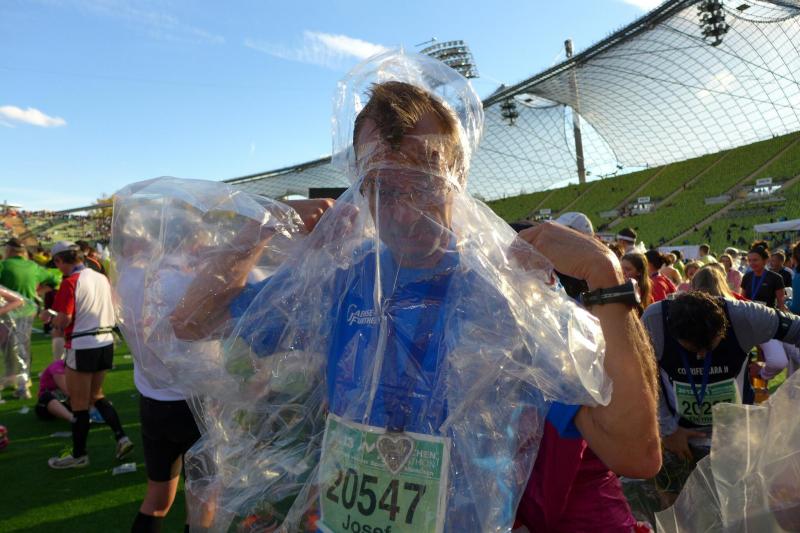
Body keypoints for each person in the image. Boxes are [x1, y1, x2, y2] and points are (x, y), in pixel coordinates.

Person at [166, 54, 660, 531]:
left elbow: (635, 454)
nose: (404, 212)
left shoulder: (509, 294)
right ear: (360, 187)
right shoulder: (342, 280)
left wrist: (607, 278)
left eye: (423, 182)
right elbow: (191, 322)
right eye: (383, 187)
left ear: (457, 177)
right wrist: (262, 224)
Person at [115, 195, 332, 533]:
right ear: (188, 241)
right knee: (204, 499)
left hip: (152, 398)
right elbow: (206, 316)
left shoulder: (130, 276)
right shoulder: (188, 283)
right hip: (197, 402)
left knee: (157, 497)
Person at [642, 291, 800, 506]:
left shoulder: (745, 316)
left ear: (723, 327)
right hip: (679, 437)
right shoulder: (654, 321)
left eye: (709, 346)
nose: (701, 355)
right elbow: (642, 376)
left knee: (737, 504)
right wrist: (668, 429)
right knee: (678, 504)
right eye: (692, 347)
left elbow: (796, 329)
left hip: (737, 437)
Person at [40, 241, 132, 469]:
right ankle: (121, 437)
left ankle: (79, 455)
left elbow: (64, 320)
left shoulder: (70, 281)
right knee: (96, 395)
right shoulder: (101, 277)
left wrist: (49, 318)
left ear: (60, 260)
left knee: (79, 403)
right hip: (105, 341)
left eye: (57, 263)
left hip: (82, 344)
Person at [0, 238, 60, 397]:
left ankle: (15, 380)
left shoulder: (4, 265)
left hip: (7, 312)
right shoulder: (33, 266)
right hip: (28, 311)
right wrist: (37, 292)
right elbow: (55, 280)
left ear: (8, 250)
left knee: (8, 347)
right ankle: (20, 381)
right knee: (22, 346)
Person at [741, 246, 786, 310]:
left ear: (765, 261)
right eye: (749, 260)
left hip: (767, 314)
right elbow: (742, 300)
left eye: (755, 260)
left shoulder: (776, 278)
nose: (752, 263)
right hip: (749, 312)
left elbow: (781, 304)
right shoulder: (747, 276)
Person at [35, 358, 74, 422]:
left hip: (66, 400)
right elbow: (67, 391)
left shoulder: (76, 367)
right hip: (46, 404)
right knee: (46, 396)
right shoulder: (57, 366)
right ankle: (73, 418)